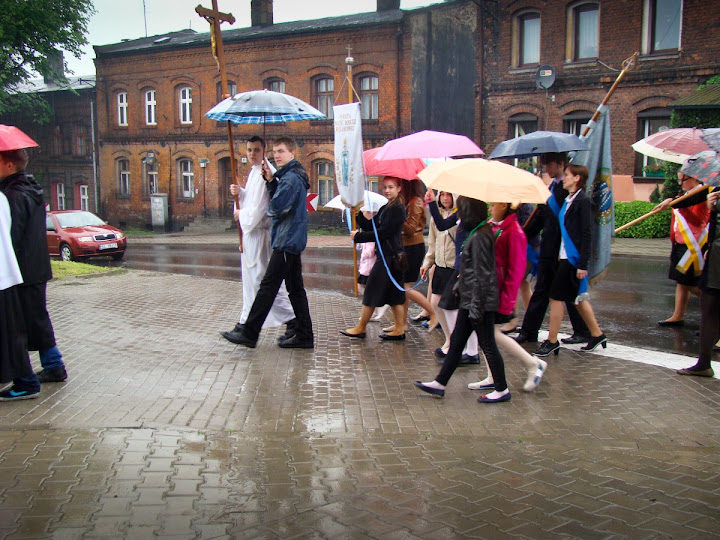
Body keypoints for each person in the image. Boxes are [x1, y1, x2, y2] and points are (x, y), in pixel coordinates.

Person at [414, 196, 511, 403]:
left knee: (487, 344)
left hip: (479, 302)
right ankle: (440, 383)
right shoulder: (476, 233)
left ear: (471, 214)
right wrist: (461, 287)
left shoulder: (481, 236)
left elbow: (482, 275)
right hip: (471, 299)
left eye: (463, 212)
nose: (460, 218)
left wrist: (475, 306)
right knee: (457, 342)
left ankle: (502, 389)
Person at [226, 136, 314, 349]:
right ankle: (304, 334)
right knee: (295, 289)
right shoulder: (290, 176)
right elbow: (279, 201)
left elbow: (275, 208)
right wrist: (272, 182)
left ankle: (250, 332)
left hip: (286, 239)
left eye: (281, 151)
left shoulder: (291, 179)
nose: (277, 155)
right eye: (275, 152)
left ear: (292, 153)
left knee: (268, 286)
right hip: (291, 239)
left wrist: (271, 185)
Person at [0, 148, 67, 394]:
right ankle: (53, 364)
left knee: (20, 324)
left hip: (22, 270)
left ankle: (29, 377)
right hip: (36, 266)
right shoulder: (31, 188)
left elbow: (12, 236)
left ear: (9, 165)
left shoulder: (13, 195)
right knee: (37, 318)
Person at [469, 202, 547, 392]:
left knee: (492, 335)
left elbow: (515, 271)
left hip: (498, 292)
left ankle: (532, 363)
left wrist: (508, 302)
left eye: (493, 205)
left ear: (504, 206)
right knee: (488, 335)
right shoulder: (495, 227)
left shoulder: (513, 231)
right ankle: (493, 375)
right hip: (489, 290)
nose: (490, 209)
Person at [516, 152, 590, 347]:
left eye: (549, 164)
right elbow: (541, 217)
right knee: (545, 290)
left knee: (565, 292)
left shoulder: (567, 190)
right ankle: (529, 331)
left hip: (562, 250)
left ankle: (583, 331)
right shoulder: (553, 187)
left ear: (561, 164)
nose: (547, 169)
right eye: (545, 165)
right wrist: (523, 234)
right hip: (549, 247)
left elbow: (574, 225)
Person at [535, 165, 607, 357]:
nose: (564, 178)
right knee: (576, 298)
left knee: (555, 297)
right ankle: (597, 334)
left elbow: (586, 234)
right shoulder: (569, 200)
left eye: (567, 175)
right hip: (565, 256)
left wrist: (583, 264)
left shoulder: (583, 201)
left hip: (573, 258)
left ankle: (552, 341)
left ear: (577, 178)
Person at [340, 176, 407, 340]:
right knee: (394, 295)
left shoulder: (397, 209)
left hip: (390, 258)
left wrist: (359, 237)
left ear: (399, 188)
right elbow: (372, 225)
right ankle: (399, 329)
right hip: (387, 256)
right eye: (385, 187)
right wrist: (357, 212)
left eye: (391, 187)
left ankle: (361, 328)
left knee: (370, 291)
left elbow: (383, 233)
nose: (387, 190)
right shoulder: (386, 207)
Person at [424, 189, 480, 364]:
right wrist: (432, 203)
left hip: (461, 268)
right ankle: (460, 348)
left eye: (450, 194)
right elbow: (441, 226)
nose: (446, 198)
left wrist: (466, 266)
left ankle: (464, 350)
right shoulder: (459, 215)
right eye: (442, 195)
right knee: (447, 306)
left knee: (457, 309)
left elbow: (473, 243)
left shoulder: (474, 219)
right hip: (455, 267)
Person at [654, 171, 710, 327]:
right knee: (681, 282)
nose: (680, 183)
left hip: (692, 246)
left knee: (690, 283)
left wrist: (678, 205)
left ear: (694, 178)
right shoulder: (685, 195)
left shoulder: (701, 194)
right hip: (680, 243)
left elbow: (698, 222)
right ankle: (678, 315)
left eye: (683, 180)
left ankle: (713, 310)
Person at [0, 189, 38, 401]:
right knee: (11, 333)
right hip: (7, 274)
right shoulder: (2, 198)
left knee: (10, 334)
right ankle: (25, 380)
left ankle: (26, 381)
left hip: (3, 276)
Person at [386, 179, 437, 333]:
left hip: (413, 247)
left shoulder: (416, 202)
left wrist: (397, 218)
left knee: (404, 287)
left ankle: (433, 313)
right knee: (403, 286)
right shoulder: (407, 201)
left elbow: (410, 229)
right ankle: (401, 323)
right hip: (406, 246)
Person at [678, 188, 719, 377]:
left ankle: (704, 364)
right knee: (709, 305)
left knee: (710, 305)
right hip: (716, 254)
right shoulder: (715, 186)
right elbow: (692, 198)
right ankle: (703, 363)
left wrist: (714, 206)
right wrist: (672, 201)